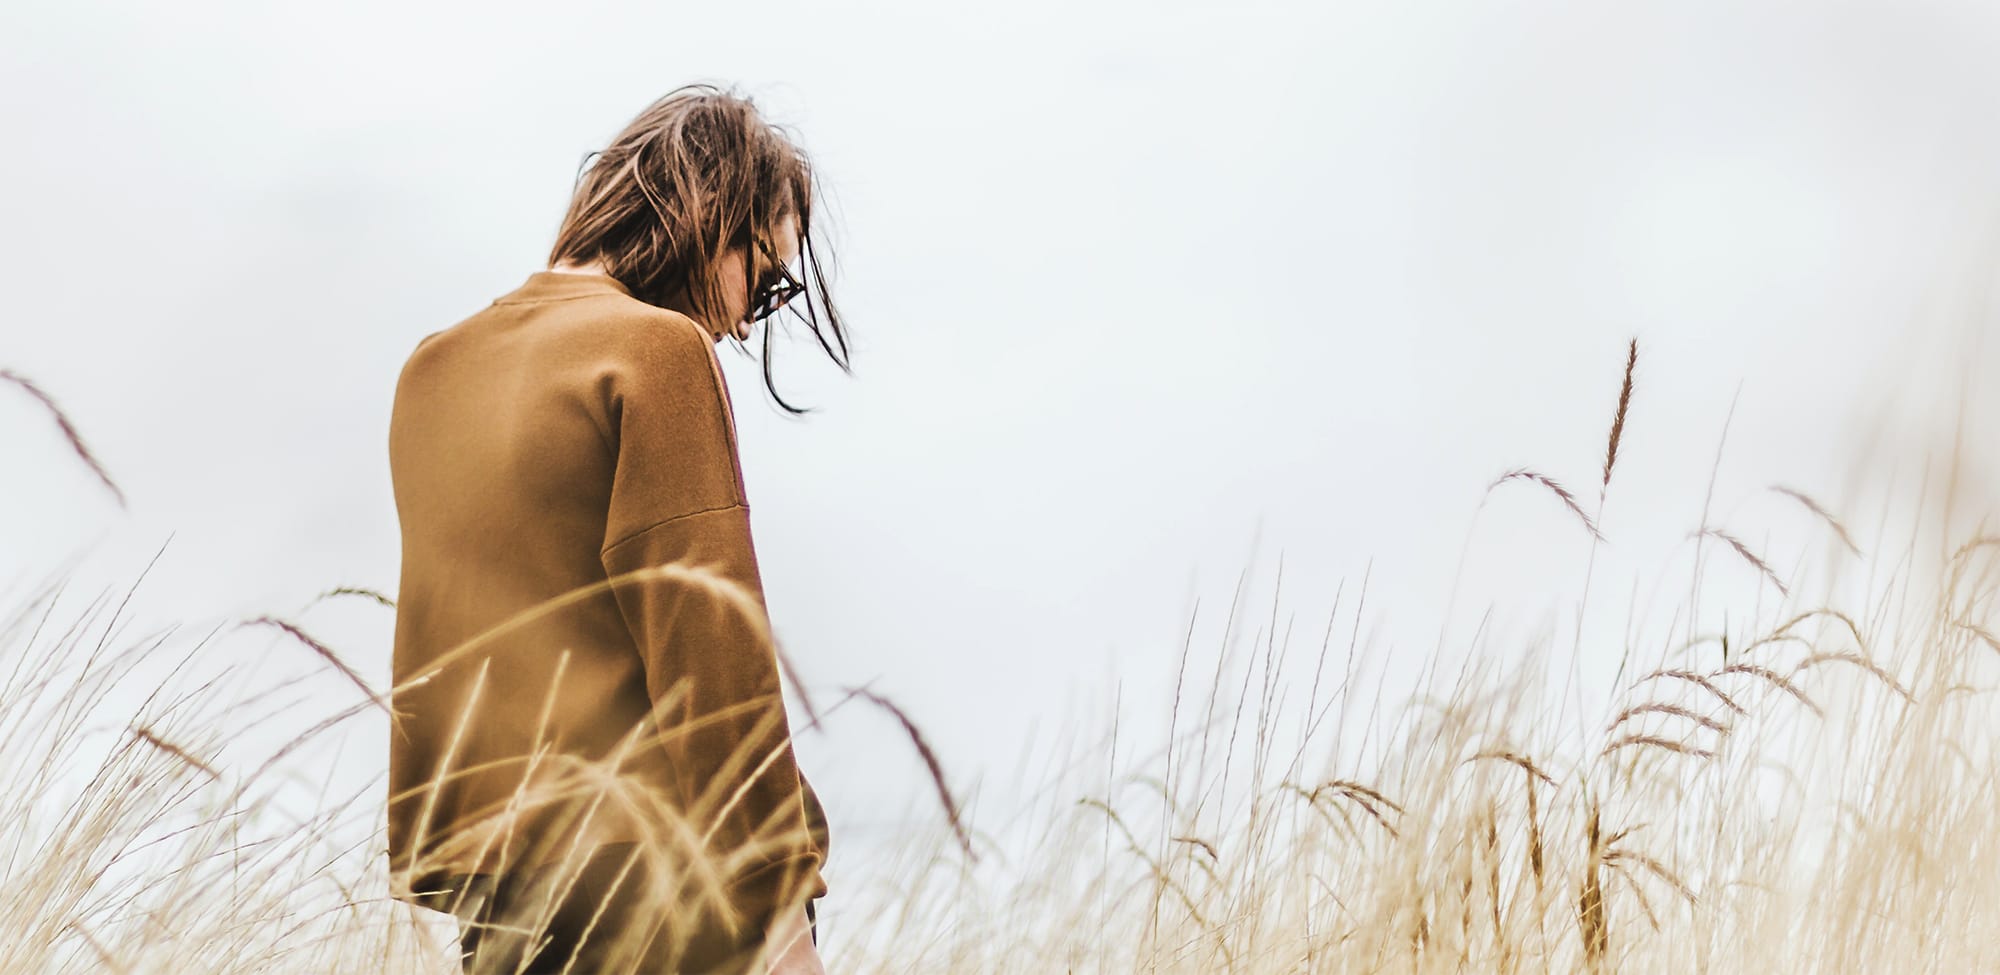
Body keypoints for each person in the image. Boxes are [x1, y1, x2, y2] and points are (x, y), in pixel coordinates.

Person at [384, 83, 850, 974]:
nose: (752, 313)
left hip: (503, 902)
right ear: (711, 217)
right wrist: (779, 912)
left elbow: (440, 644)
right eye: (767, 271)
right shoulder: (656, 352)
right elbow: (714, 656)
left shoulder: (431, 371)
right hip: (667, 898)